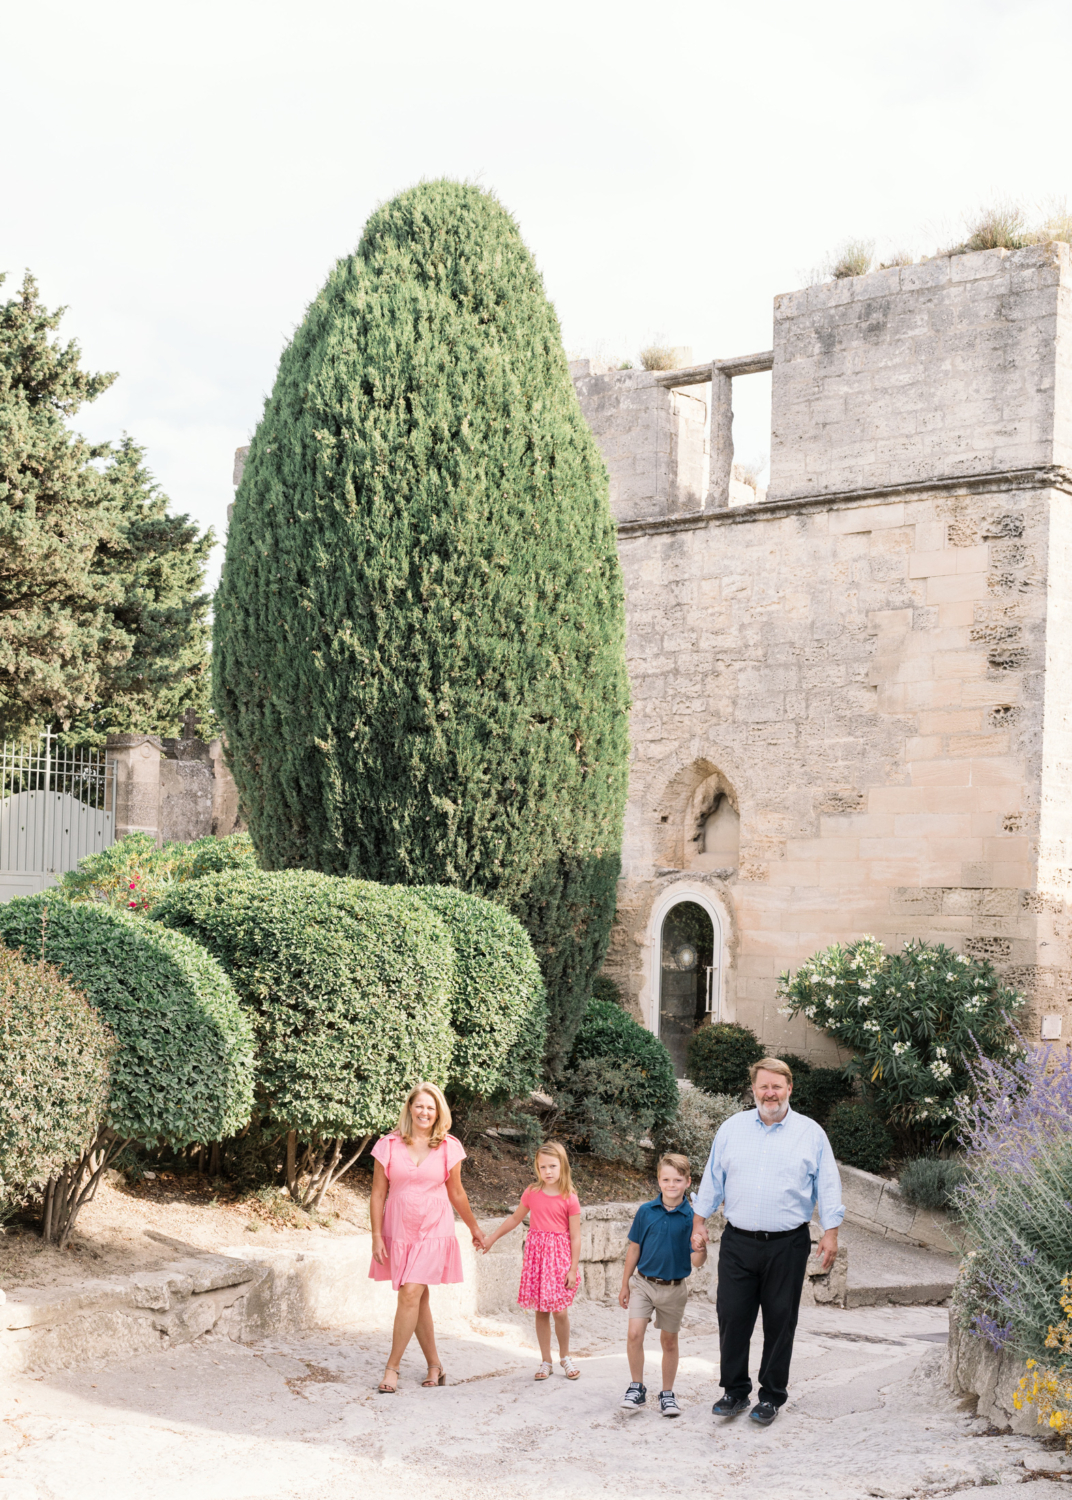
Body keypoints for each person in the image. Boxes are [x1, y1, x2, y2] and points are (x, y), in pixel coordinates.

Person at [691, 1056, 844, 1428]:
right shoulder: (732, 1128)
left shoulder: (811, 1133)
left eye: (777, 1086)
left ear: (789, 1088)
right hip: (738, 1242)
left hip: (787, 1245)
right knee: (732, 1316)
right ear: (754, 1089)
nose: (770, 1093)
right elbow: (713, 1178)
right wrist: (698, 1222)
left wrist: (831, 1230)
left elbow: (827, 1183)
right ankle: (734, 1392)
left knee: (780, 1320)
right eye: (763, 1086)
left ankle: (771, 1397)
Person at [370, 1080, 485, 1392]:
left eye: (431, 1108)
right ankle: (435, 1365)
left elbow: (457, 1193)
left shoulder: (449, 1146)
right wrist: (376, 1236)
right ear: (410, 1107)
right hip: (399, 1229)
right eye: (419, 1105)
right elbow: (378, 1194)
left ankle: (391, 1368)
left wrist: (474, 1229)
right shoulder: (388, 1145)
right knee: (417, 1298)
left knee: (409, 1293)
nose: (424, 1112)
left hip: (434, 1229)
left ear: (439, 1113)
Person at [481, 1141, 581, 1381]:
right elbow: (516, 1218)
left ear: (562, 1166)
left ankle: (565, 1356)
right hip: (537, 1259)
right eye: (542, 1166)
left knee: (560, 1311)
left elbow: (576, 1236)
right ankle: (546, 1360)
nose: (547, 1171)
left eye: (552, 1166)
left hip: (559, 1260)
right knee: (541, 1311)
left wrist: (573, 1269)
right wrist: (492, 1237)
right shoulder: (532, 1193)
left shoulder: (570, 1197)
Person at [618, 1152, 708, 1416]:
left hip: (674, 1288)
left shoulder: (692, 1217)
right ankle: (637, 1387)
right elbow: (633, 1250)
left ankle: (667, 1393)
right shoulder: (646, 1212)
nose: (671, 1185)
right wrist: (625, 1285)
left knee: (669, 1341)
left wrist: (702, 1248)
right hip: (643, 1284)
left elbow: (697, 1261)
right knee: (634, 1333)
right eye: (666, 1179)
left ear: (688, 1182)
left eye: (678, 1180)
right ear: (658, 1180)